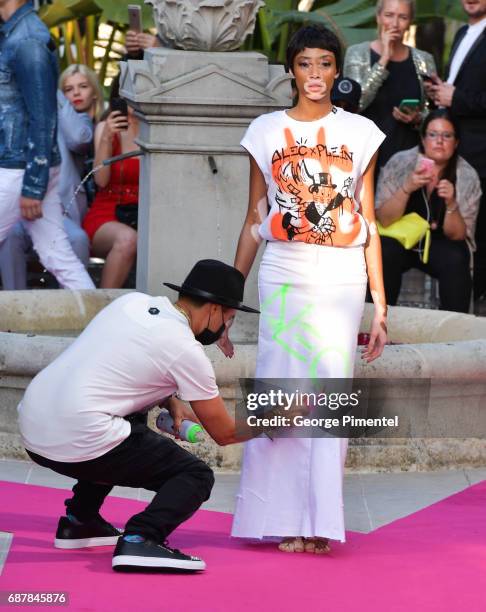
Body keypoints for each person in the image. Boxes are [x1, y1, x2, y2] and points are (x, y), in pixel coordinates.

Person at [229, 25, 387, 554]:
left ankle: (320, 522)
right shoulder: (265, 131)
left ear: (337, 69)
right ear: (291, 70)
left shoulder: (361, 132)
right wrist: (231, 295)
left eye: (324, 64)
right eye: (305, 64)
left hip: (343, 274)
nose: (315, 75)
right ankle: (278, 518)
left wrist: (381, 305)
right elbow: (254, 219)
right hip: (283, 270)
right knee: (280, 388)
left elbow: (368, 221)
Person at [17, 259, 259, 572]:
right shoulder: (185, 349)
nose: (226, 328)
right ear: (213, 309)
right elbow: (225, 433)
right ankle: (141, 538)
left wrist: (168, 398)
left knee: (126, 421)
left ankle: (81, 520)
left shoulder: (132, 302)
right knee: (195, 476)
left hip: (32, 423)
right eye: (228, 318)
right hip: (75, 435)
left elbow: (118, 363)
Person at [0, 0, 95, 290]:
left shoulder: (28, 41)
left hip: (21, 170)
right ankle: (104, 327)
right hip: (27, 167)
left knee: (61, 258)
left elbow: (44, 118)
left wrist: (33, 186)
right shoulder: (14, 34)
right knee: (61, 259)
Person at [375, 109, 481, 313]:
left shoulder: (466, 175)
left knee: (456, 257)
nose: (439, 141)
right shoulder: (400, 162)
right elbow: (384, 219)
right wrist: (406, 187)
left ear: (456, 142)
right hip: (401, 238)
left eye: (447, 135)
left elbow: (458, 235)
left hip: (439, 242)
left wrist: (451, 203)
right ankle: (380, 321)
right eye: (432, 134)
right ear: (423, 139)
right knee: (385, 250)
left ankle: (452, 330)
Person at [426, 0, 486, 301]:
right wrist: (442, 89)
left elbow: (469, 96)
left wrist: (457, 97)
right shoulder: (464, 31)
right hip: (456, 151)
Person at [343, 0, 436, 171]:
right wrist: (384, 59)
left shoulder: (424, 60)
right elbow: (354, 105)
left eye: (402, 17)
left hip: (408, 160)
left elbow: (434, 115)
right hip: (365, 158)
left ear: (410, 22)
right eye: (389, 15)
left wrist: (418, 118)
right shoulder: (357, 53)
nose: (394, 23)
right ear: (378, 17)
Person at [82, 77, 140, 288]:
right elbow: (100, 180)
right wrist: (106, 137)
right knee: (127, 240)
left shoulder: (158, 127)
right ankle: (104, 309)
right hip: (108, 211)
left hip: (146, 214)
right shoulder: (106, 128)